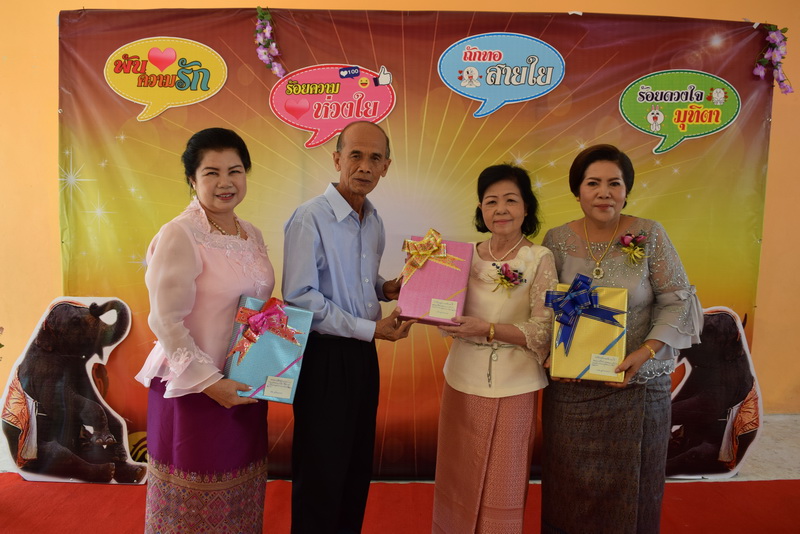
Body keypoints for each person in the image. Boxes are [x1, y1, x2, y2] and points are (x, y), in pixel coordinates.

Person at [540, 144, 703, 534]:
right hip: (572, 392)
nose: (604, 193)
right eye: (592, 183)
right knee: (568, 489)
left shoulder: (649, 234)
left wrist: (645, 353)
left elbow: (678, 301)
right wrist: (549, 352)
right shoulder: (556, 239)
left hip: (638, 389)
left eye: (614, 183)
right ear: (577, 191)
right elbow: (545, 306)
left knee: (635, 493)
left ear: (626, 189)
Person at [135, 128, 275, 534]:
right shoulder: (179, 234)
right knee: (192, 508)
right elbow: (165, 321)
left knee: (240, 495)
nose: (225, 182)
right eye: (211, 173)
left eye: (235, 170)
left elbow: (257, 307)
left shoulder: (252, 234)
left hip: (244, 383)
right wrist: (212, 383)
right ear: (192, 180)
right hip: (193, 389)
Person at [282, 120, 416, 534]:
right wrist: (371, 329)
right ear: (337, 158)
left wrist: (386, 288)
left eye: (375, 158)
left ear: (386, 166)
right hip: (322, 358)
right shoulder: (310, 218)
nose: (364, 166)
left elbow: (360, 282)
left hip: (362, 357)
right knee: (321, 474)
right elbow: (300, 297)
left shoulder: (373, 220)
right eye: (355, 155)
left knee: (356, 469)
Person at [433, 164, 558, 533]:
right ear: (480, 208)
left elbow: (544, 328)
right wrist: (427, 302)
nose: (501, 209)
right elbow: (440, 308)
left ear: (526, 207)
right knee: (457, 472)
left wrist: (487, 329)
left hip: (515, 384)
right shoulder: (460, 255)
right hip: (460, 378)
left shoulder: (540, 258)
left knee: (504, 478)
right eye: (491, 201)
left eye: (510, 200)